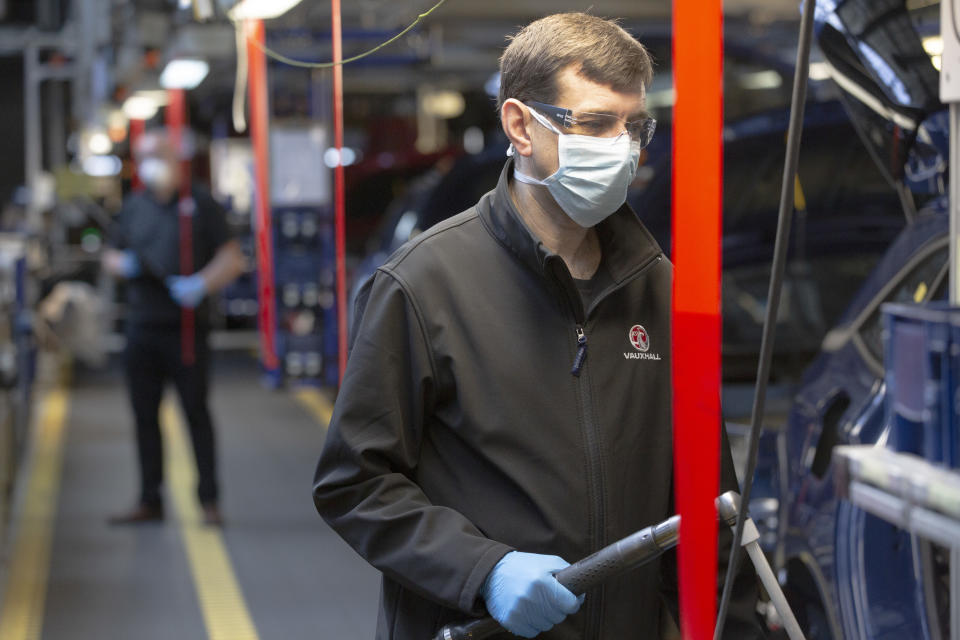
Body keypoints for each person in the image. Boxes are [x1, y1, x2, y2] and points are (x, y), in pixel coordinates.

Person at [313, 13, 762, 639]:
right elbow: (354, 484)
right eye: (598, 124)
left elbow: (703, 512)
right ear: (521, 125)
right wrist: (484, 570)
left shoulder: (662, 292)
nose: (623, 149)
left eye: (635, 126)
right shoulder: (423, 286)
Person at [103, 130, 245, 526]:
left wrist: (200, 283)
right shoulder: (133, 206)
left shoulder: (199, 202)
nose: (150, 162)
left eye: (158, 154)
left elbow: (231, 259)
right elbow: (109, 255)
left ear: (174, 157)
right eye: (144, 155)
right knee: (144, 416)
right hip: (141, 329)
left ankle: (209, 500)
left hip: (186, 329)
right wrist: (123, 265)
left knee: (195, 413)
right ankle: (150, 499)